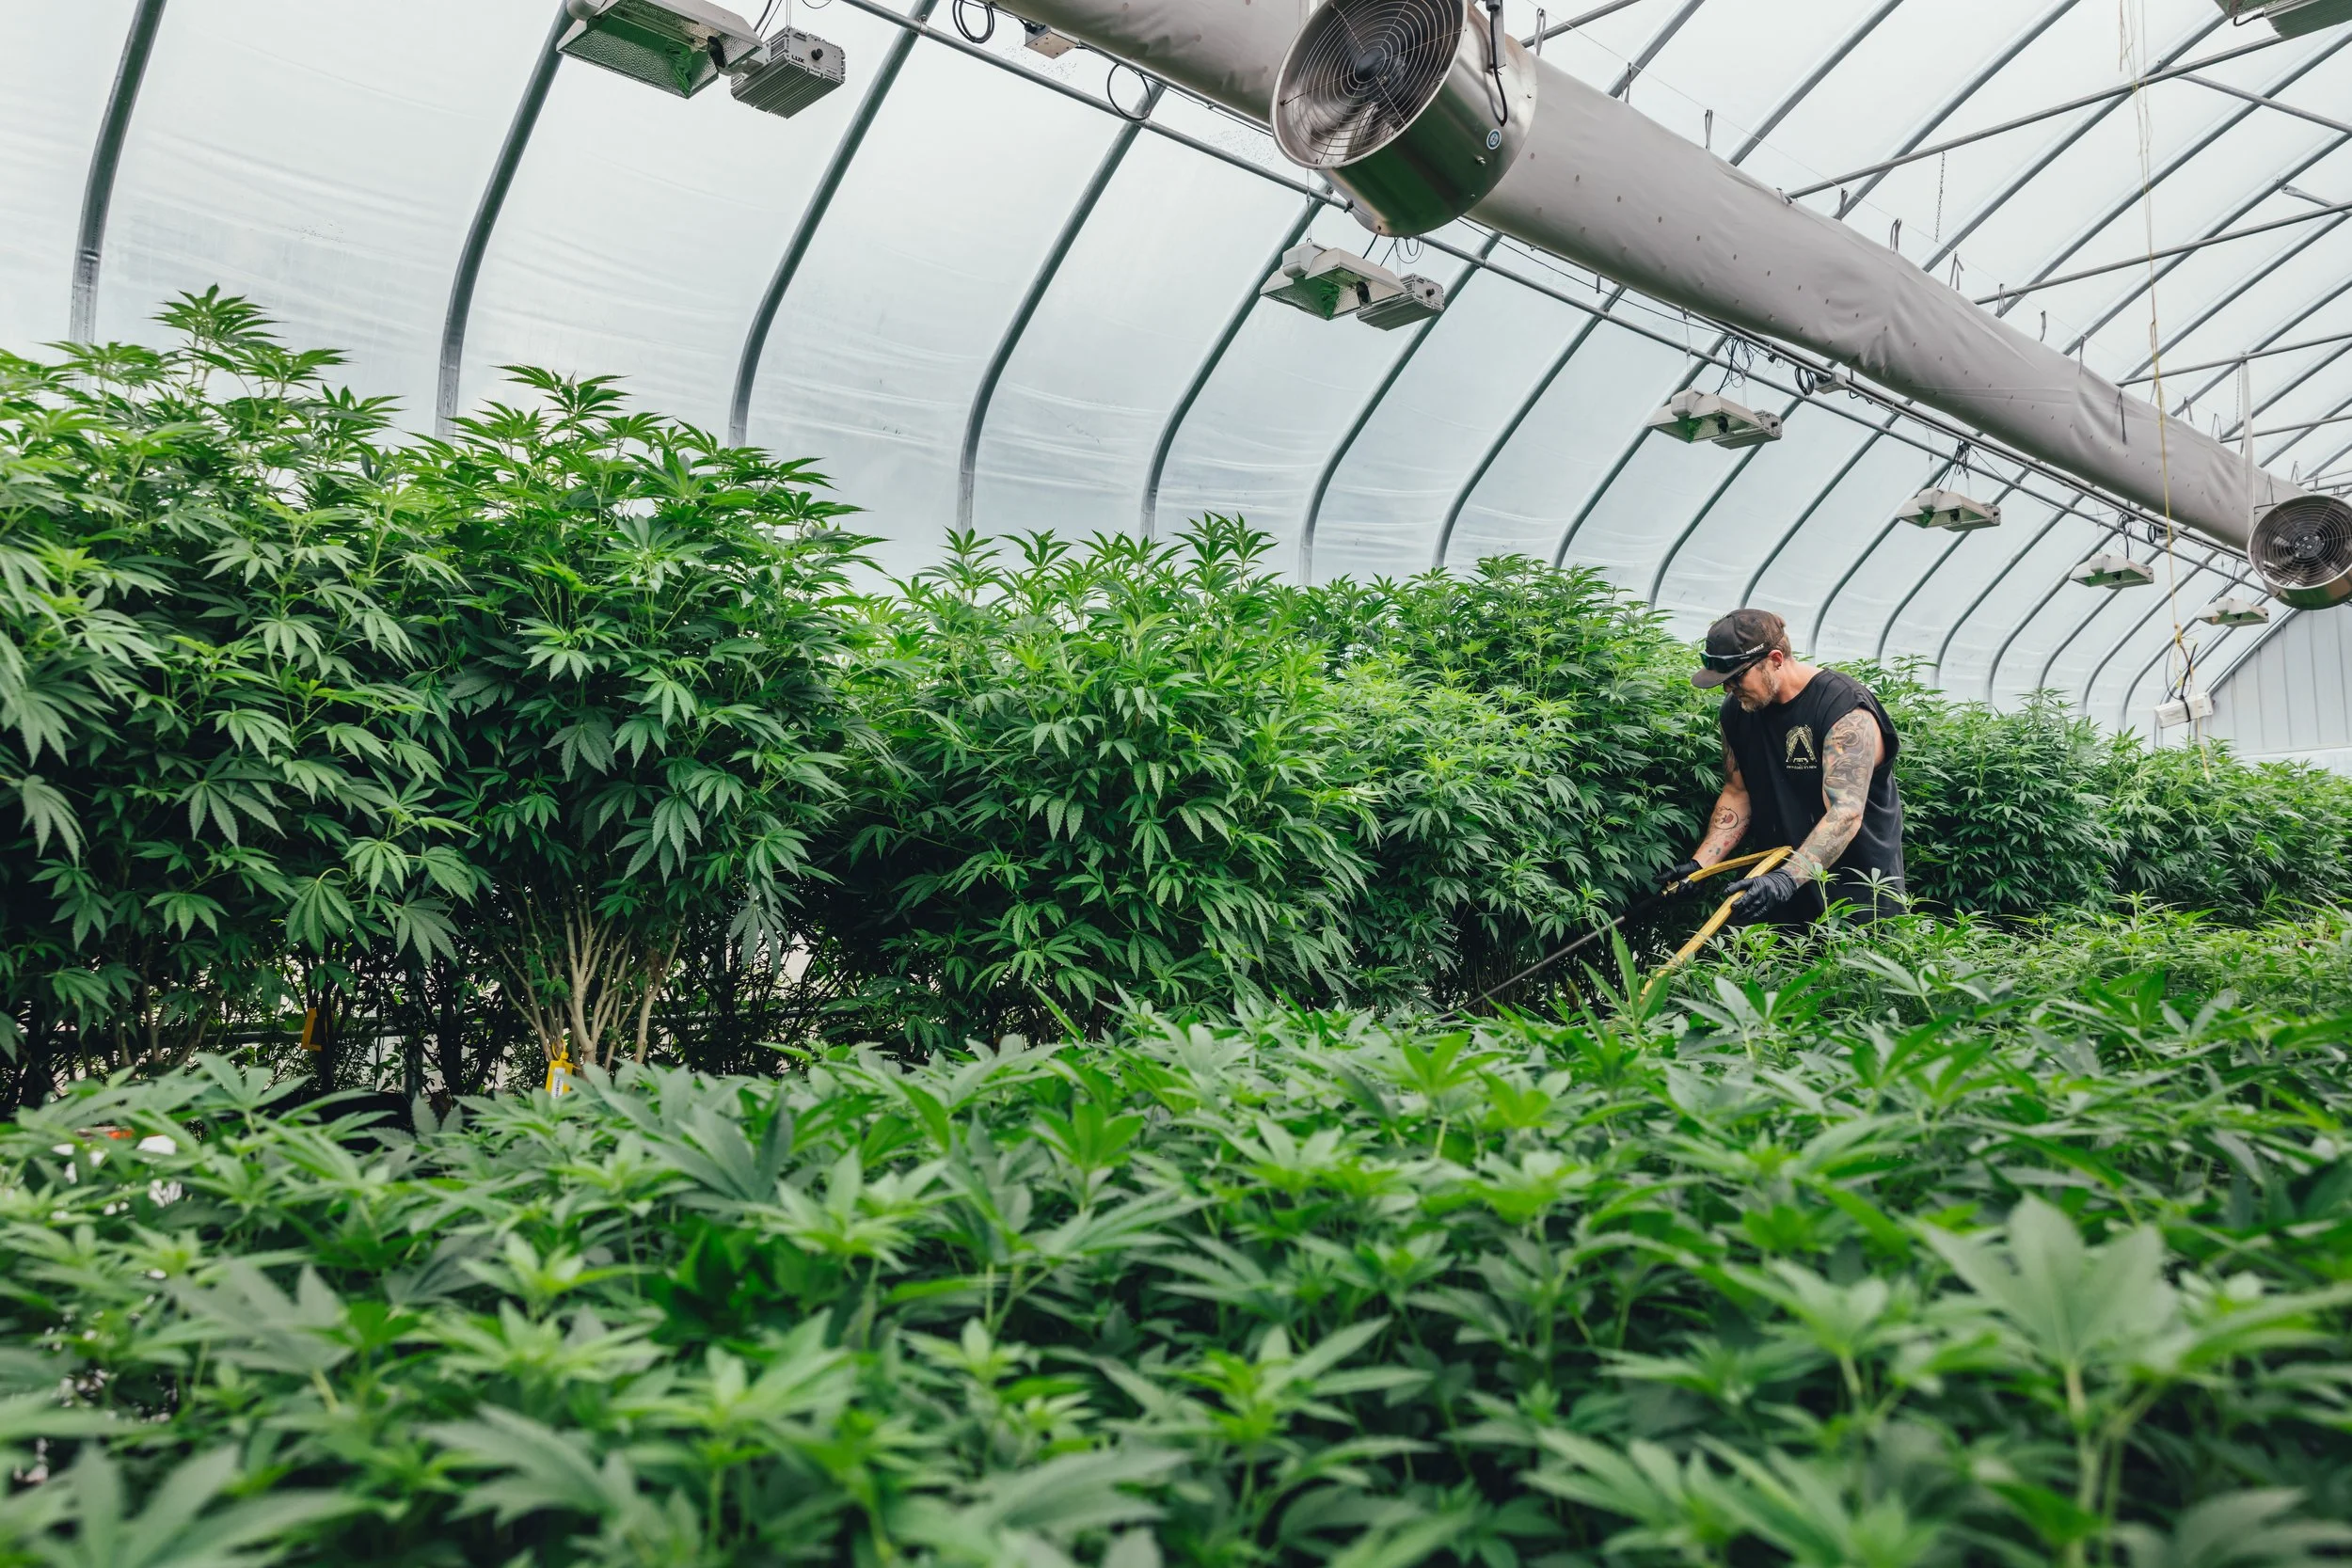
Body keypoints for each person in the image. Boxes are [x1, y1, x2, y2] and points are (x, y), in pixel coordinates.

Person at [1661, 609, 1907, 925]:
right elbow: (1738, 792)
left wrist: (1786, 879)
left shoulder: (1843, 709)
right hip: (1779, 896)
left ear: (1776, 659)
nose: (1728, 689)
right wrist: (1701, 865)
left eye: (1736, 677)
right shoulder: (1737, 712)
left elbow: (1845, 812)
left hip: (1858, 897)